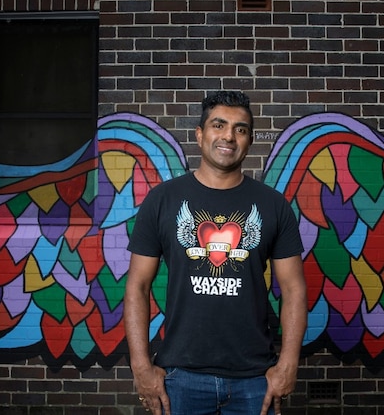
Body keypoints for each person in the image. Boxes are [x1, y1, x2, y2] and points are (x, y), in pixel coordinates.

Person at [123, 90, 308, 415]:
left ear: (250, 140)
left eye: (240, 129)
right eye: (219, 125)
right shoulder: (163, 200)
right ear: (199, 134)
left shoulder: (272, 205)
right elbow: (137, 285)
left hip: (254, 378)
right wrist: (140, 366)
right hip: (180, 376)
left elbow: (293, 289)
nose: (229, 136)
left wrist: (288, 363)